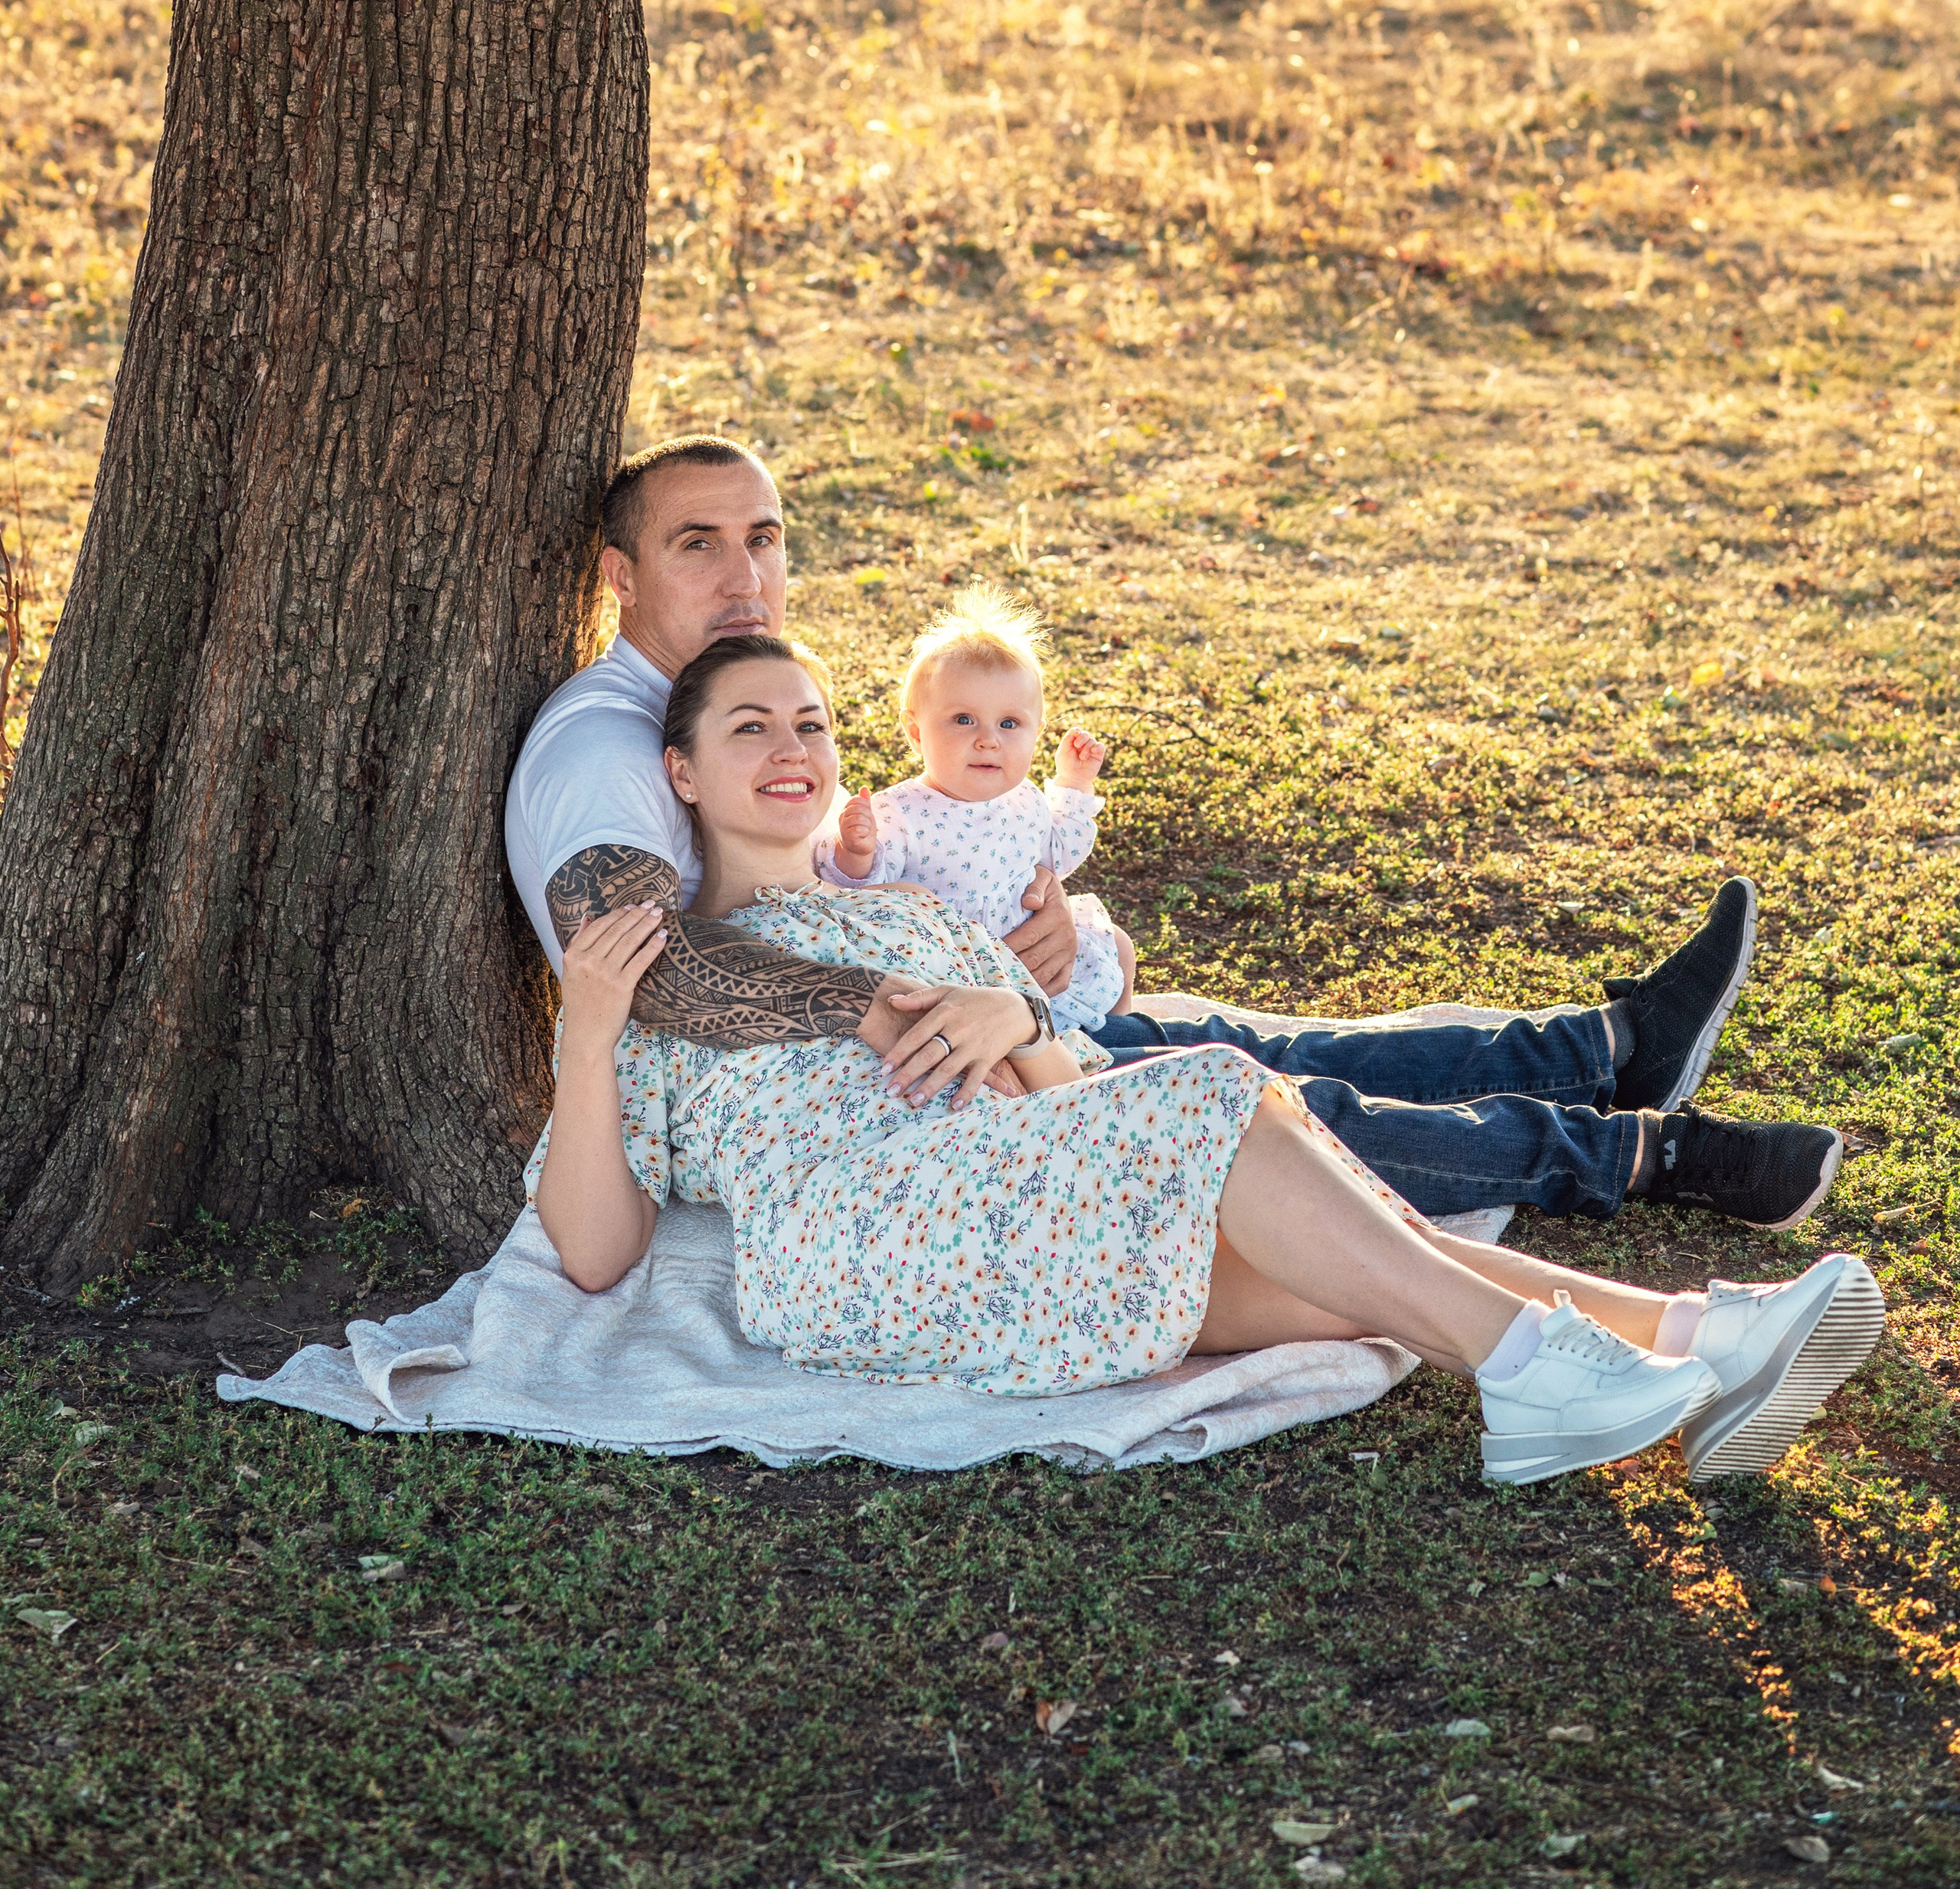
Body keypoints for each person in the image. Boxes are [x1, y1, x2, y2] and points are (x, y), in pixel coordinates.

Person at [527, 635, 1886, 1489]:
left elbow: (1077, 1098)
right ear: (683, 771)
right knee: (1227, 1095)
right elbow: (594, 1251)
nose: (789, 747)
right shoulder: (676, 970)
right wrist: (591, 1038)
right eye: (749, 725)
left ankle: (1696, 1343)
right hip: (860, 1235)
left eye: (811, 721)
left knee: (1334, 1254)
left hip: (1010, 1194)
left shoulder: (921, 916)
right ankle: (1539, 1372)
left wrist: (1022, 1024)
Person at [505, 432, 1844, 1230]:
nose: (746, 574)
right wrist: (920, 997)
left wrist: (1026, 942)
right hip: (905, 1095)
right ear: (622, 573)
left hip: (968, 1025)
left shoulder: (728, 682)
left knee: (1263, 1044)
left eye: (765, 536)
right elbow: (652, 970)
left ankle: (1605, 1049)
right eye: (699, 544)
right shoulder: (600, 752)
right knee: (1284, 1109)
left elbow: (842, 862)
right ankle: (1643, 1153)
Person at [814, 580, 1133, 1035]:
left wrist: (1074, 783)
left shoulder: (1025, 799)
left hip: (1032, 959)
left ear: (1036, 733)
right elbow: (865, 893)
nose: (988, 738)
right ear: (916, 732)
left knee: (1117, 945)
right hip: (959, 975)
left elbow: (1058, 856)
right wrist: (857, 851)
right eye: (964, 720)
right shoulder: (901, 812)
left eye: (1010, 723)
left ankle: (1113, 1035)